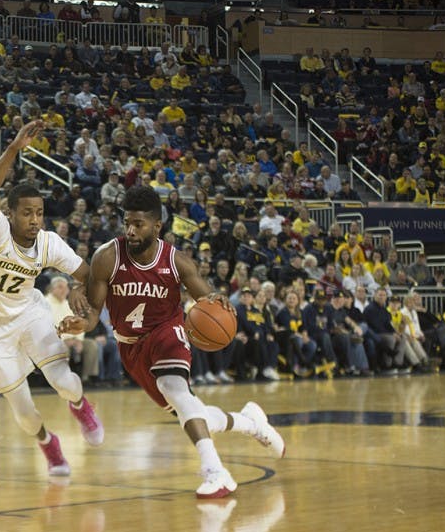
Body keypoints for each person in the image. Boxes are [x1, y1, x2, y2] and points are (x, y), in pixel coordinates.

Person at [61, 186, 285, 498]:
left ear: (157, 226)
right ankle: (250, 422)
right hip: (131, 347)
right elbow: (94, 313)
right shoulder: (107, 257)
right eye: (127, 223)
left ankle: (215, 471)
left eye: (139, 224)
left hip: (168, 333)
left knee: (175, 390)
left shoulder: (177, 261)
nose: (131, 230)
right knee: (190, 411)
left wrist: (217, 301)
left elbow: (207, 299)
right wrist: (80, 323)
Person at [0, 119, 103, 478]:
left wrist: (77, 288)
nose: (34, 219)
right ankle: (48, 444)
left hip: (29, 314)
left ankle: (80, 405)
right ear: (9, 213)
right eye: (27, 212)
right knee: (26, 413)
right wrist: (13, 148)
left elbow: (89, 275)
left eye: (39, 212)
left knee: (64, 381)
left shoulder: (48, 243)